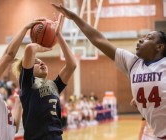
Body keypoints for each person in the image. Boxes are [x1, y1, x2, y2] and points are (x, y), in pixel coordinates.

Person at [52, 3, 166, 139]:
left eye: (148, 38)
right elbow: (98, 39)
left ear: (159, 47)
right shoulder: (133, 63)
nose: (141, 40)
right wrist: (74, 17)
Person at [12, 14, 76, 140]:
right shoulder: (27, 83)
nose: (41, 63)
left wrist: (58, 36)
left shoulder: (54, 85)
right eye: (36, 62)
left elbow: (72, 65)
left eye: (42, 61)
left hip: (57, 136)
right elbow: (30, 48)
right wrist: (46, 47)